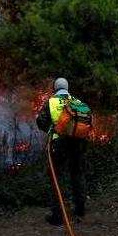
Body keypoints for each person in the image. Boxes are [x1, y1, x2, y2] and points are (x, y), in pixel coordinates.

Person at [36, 77, 87, 226]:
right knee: (77, 174)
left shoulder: (51, 101)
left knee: (57, 178)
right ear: (67, 88)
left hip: (60, 143)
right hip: (78, 143)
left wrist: (51, 130)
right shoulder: (76, 101)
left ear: (55, 88)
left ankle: (57, 215)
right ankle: (80, 209)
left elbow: (41, 121)